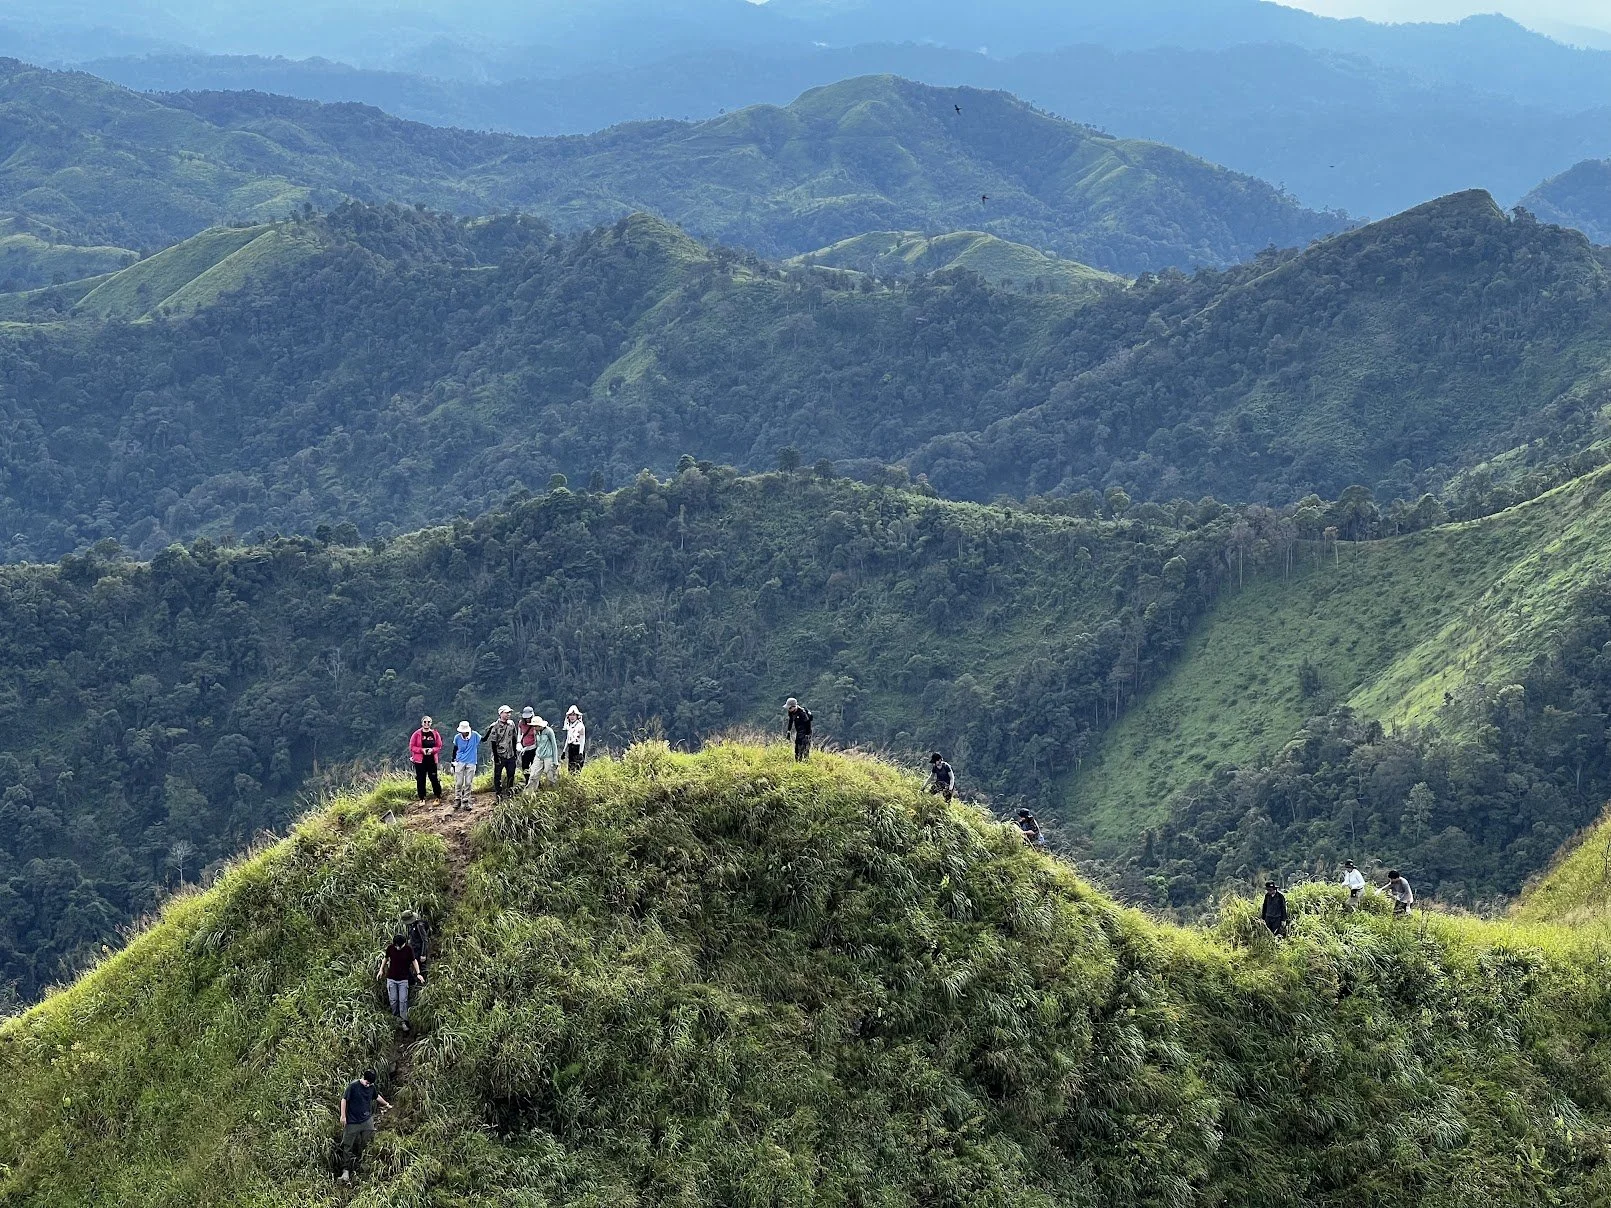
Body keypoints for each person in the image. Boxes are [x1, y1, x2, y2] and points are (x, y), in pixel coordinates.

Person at [338, 1068, 391, 1184]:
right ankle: (345, 1171)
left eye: (370, 1084)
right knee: (347, 1145)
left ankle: (364, 1167)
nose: (368, 1085)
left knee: (368, 1143)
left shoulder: (371, 1087)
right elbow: (344, 1100)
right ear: (363, 1079)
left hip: (366, 1120)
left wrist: (387, 1104)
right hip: (352, 1121)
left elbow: (376, 1096)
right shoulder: (353, 1086)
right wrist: (343, 1116)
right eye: (367, 1083)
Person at [376, 932, 422, 1032]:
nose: (397, 947)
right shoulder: (390, 948)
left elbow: (414, 961)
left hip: (403, 979)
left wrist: (418, 973)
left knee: (403, 1000)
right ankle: (396, 1018)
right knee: (393, 1000)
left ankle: (404, 1021)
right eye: (395, 945)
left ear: (403, 944)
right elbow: (385, 958)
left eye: (398, 946)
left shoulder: (408, 949)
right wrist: (381, 970)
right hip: (391, 978)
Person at [484, 705, 520, 798]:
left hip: (510, 753)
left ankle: (510, 791)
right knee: (497, 774)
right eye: (506, 713)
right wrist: (496, 757)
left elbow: (514, 737)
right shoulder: (495, 726)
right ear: (501, 714)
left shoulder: (511, 724)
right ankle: (498, 793)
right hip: (500, 754)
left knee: (511, 773)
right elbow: (493, 742)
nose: (509, 714)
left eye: (509, 713)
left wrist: (515, 752)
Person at [408, 715, 444, 802]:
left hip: (431, 759)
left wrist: (432, 750)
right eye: (425, 722)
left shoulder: (435, 734)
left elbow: (439, 746)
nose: (427, 724)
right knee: (421, 779)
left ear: (431, 723)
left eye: (428, 722)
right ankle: (422, 798)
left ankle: (438, 796)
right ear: (422, 723)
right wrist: (421, 750)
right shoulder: (416, 734)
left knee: (434, 778)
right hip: (420, 761)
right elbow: (412, 747)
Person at [450, 721, 480, 811]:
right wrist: (453, 761)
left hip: (471, 761)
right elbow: (455, 749)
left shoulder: (475, 735)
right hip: (460, 761)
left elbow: (483, 739)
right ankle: (457, 799)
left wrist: (490, 729)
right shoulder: (457, 737)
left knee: (468, 782)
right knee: (459, 782)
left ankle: (466, 800)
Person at [533, 714, 560, 786]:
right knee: (533, 776)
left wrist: (555, 761)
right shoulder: (536, 732)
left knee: (551, 777)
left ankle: (551, 794)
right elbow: (537, 744)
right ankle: (528, 794)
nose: (534, 727)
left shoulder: (549, 731)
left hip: (548, 757)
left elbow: (554, 745)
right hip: (539, 756)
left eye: (535, 726)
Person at [402, 910, 429, 979]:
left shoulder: (419, 925)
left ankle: (423, 984)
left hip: (420, 950)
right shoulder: (412, 925)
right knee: (415, 967)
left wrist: (423, 954)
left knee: (422, 968)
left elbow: (424, 940)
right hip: (414, 949)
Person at [517, 707, 540, 786]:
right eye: (526, 718)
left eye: (529, 717)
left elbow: (538, 739)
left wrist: (529, 747)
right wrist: (519, 743)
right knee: (525, 766)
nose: (527, 719)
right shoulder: (521, 723)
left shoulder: (535, 724)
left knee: (535, 766)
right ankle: (527, 781)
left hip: (534, 748)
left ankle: (535, 782)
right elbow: (519, 734)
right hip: (524, 749)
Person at [564, 706, 586, 774]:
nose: (572, 717)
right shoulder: (569, 726)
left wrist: (581, 753)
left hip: (578, 748)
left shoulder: (580, 726)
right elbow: (568, 738)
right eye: (570, 715)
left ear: (577, 716)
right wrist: (564, 751)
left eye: (574, 715)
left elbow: (582, 739)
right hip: (571, 748)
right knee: (570, 769)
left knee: (577, 770)